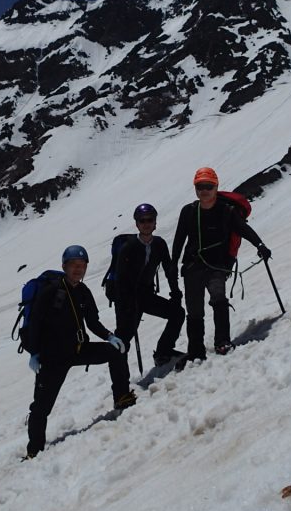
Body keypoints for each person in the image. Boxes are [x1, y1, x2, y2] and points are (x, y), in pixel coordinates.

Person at [23, 244, 135, 459]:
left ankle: (122, 397)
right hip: (53, 358)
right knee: (41, 408)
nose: (78, 269)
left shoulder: (83, 292)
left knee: (116, 352)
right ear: (64, 266)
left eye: (82, 265)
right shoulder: (50, 292)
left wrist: (109, 337)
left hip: (79, 349)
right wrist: (34, 353)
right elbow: (35, 324)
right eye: (74, 265)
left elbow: (92, 322)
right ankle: (34, 451)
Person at [171, 167, 271, 361]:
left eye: (208, 186)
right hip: (193, 266)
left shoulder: (227, 211)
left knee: (218, 300)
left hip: (216, 266)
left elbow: (243, 229)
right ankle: (196, 350)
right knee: (195, 310)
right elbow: (179, 239)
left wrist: (260, 245)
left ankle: (222, 341)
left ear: (216, 187)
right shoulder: (188, 211)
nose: (204, 190)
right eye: (200, 186)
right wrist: (173, 263)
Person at [113, 203, 186, 367]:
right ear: (137, 224)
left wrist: (175, 292)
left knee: (177, 313)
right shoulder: (128, 247)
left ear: (155, 223)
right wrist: (126, 304)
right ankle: (120, 377)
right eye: (142, 220)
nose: (146, 223)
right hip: (128, 299)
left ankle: (163, 352)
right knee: (124, 337)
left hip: (145, 296)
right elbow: (120, 280)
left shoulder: (159, 244)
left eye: (149, 220)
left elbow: (169, 270)